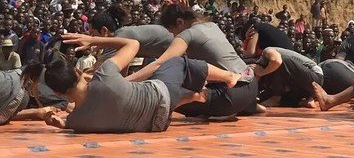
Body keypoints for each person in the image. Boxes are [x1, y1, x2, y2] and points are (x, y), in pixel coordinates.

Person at [21, 33, 243, 133]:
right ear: (79, 70)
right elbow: (133, 43)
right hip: (162, 96)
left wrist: (58, 124)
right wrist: (94, 40)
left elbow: (68, 123)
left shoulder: (77, 121)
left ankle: (191, 96)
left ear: (59, 94)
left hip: (157, 124)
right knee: (176, 63)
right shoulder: (106, 74)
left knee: (145, 98)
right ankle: (228, 77)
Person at [126, 1, 260, 118]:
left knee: (163, 95)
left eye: (171, 31)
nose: (173, 35)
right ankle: (251, 107)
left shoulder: (187, 34)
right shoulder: (212, 26)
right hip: (251, 88)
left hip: (230, 96)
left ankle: (203, 100)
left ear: (180, 22)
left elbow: (160, 63)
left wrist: (126, 82)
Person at [89, 4, 173, 63]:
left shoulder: (119, 38)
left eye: (93, 34)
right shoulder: (122, 33)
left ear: (104, 31)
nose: (91, 38)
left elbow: (99, 68)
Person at [250, 46, 324, 107]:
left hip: (315, 77)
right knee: (266, 98)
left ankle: (276, 97)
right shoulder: (269, 78)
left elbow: (277, 61)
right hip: (307, 88)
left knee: (281, 61)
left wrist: (261, 72)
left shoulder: (267, 52)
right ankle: (305, 100)